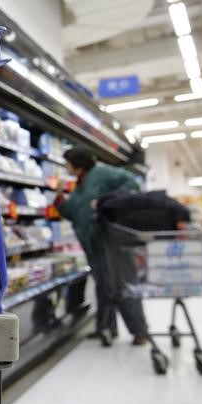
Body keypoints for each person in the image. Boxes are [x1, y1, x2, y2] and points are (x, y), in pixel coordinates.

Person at [54, 147, 149, 346]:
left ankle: (139, 331)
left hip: (112, 240)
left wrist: (106, 201)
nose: (65, 166)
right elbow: (74, 212)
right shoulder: (80, 185)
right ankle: (105, 328)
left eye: (67, 162)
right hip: (93, 244)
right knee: (104, 287)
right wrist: (60, 196)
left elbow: (132, 183)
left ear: (77, 162)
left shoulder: (102, 173)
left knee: (123, 283)